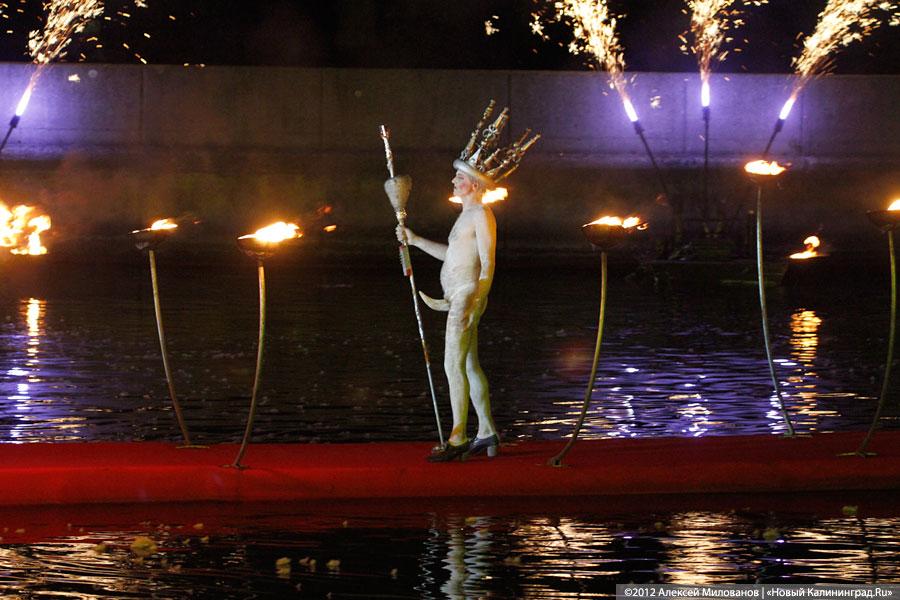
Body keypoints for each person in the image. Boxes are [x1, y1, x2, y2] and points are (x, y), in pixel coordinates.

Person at [395, 101, 540, 462]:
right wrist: (415, 240)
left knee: (452, 365)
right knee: (470, 365)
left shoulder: (481, 216)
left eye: (458, 179)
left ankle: (458, 436)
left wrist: (477, 299)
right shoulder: (465, 216)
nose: (453, 182)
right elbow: (453, 256)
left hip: (466, 298)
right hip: (458, 296)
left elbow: (488, 263)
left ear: (473, 185)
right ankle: (487, 431)